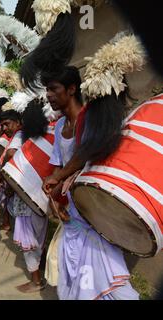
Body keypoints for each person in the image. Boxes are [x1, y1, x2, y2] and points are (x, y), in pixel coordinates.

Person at [41, 67, 139, 300]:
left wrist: (59, 177)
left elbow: (87, 153)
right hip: (72, 214)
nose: (48, 95)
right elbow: (58, 167)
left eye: (53, 89)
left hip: (94, 212)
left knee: (108, 278)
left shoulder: (92, 119)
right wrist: (54, 197)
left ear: (72, 89)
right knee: (71, 272)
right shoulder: (58, 127)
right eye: (47, 90)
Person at [10, 100, 49, 293]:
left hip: (26, 199)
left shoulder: (25, 140)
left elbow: (9, 158)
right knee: (39, 237)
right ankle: (39, 272)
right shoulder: (50, 137)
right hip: (44, 200)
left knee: (28, 241)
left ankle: (36, 281)